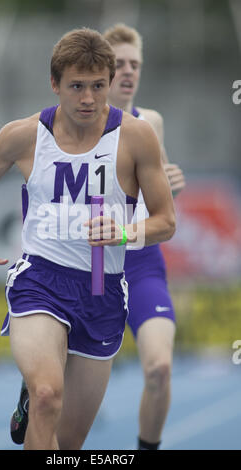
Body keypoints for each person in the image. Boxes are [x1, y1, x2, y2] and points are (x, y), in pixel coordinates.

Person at [0, 27, 175, 450]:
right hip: (40, 279)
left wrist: (126, 232)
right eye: (77, 86)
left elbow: (167, 221)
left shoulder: (136, 137)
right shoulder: (24, 135)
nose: (89, 99)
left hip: (102, 290)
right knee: (46, 396)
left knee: (69, 444)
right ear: (55, 84)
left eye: (98, 86)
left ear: (110, 84)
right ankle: (34, 387)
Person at [103, 23, 185, 450]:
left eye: (135, 64)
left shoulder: (151, 122)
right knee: (54, 385)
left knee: (159, 369)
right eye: (119, 64)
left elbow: (162, 198)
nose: (129, 72)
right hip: (91, 265)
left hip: (139, 261)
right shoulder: (73, 123)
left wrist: (173, 180)